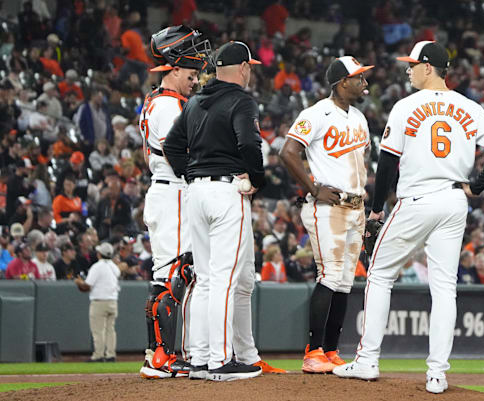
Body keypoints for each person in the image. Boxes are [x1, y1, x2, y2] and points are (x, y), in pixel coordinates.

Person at [333, 41, 484, 394]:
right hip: (453, 199)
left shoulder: (406, 106)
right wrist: (476, 187)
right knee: (445, 287)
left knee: (381, 273)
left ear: (428, 67)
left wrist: (376, 209)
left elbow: (387, 163)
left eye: (413, 65)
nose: (408, 70)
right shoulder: (468, 106)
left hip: (417, 198)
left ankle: (368, 360)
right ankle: (437, 374)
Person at [164, 41, 284, 381]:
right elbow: (249, 143)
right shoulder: (241, 100)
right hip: (226, 191)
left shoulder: (196, 100)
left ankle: (201, 359)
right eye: (250, 67)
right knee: (225, 279)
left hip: (196, 193)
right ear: (243, 68)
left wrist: (192, 173)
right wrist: (257, 178)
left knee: (205, 279)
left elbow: (171, 145)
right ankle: (221, 360)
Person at [280, 55, 372, 373]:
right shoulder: (317, 113)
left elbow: (361, 164)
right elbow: (288, 152)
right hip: (328, 205)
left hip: (355, 205)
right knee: (330, 275)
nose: (365, 82)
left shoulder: (360, 117)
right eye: (359, 78)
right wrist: (313, 186)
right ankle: (313, 350)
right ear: (342, 82)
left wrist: (367, 203)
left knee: (346, 281)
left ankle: (331, 350)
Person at [137, 25, 209, 380]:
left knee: (172, 272)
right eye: (191, 74)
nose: (195, 80)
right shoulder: (166, 104)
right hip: (174, 191)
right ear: (174, 70)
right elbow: (175, 151)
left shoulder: (166, 101)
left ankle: (162, 354)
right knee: (172, 273)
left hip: (171, 191)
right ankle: (161, 356)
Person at [74, 243, 120, 362]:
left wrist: (79, 283)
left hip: (99, 301)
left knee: (98, 330)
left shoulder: (97, 267)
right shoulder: (114, 267)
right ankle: (110, 354)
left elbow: (87, 286)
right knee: (110, 329)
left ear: (99, 254)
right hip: (113, 301)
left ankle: (98, 355)